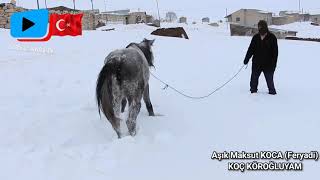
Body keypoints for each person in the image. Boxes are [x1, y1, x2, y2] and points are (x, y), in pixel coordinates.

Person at [243, 20, 278, 95]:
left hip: (268, 65)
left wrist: (274, 65)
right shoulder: (255, 37)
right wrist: (246, 59)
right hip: (256, 63)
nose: (259, 28)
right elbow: (250, 49)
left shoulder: (272, 37)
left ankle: (272, 94)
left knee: (270, 81)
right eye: (259, 27)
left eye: (261, 27)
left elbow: (275, 53)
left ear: (265, 27)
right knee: (254, 79)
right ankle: (253, 92)